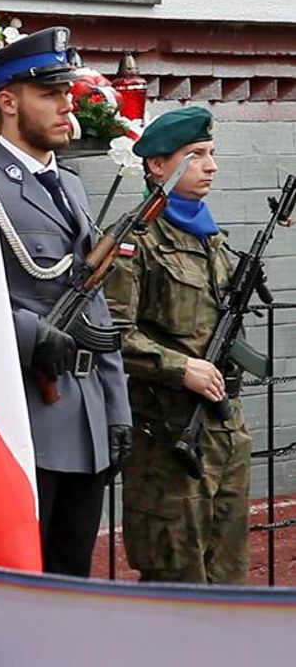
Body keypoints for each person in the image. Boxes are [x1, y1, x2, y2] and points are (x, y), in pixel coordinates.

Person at [0, 27, 133, 577]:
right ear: (8, 102)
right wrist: (27, 334)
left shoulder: (72, 185)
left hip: (85, 418)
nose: (68, 105)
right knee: (19, 582)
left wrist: (116, 409)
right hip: (27, 417)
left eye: (67, 92)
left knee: (73, 581)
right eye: (51, 94)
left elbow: (96, 305)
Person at [103, 106, 251, 583]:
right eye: (196, 155)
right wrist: (178, 367)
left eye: (211, 154)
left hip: (224, 430)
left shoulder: (213, 238)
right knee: (176, 577)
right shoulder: (135, 241)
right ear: (157, 166)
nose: (211, 166)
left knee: (228, 573)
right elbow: (112, 333)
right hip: (167, 437)